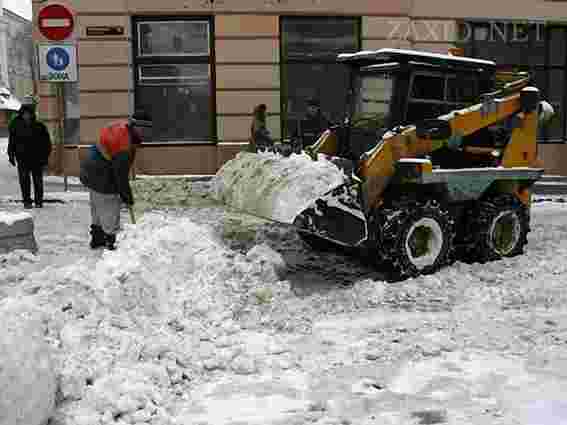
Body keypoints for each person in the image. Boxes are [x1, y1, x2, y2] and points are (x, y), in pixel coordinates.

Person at [79, 110, 152, 250]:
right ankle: (111, 243)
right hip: (101, 175)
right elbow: (121, 177)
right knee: (110, 206)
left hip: (90, 170)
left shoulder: (123, 128)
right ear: (135, 125)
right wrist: (127, 197)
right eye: (143, 129)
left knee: (98, 207)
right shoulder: (124, 145)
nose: (145, 132)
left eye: (148, 129)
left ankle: (97, 239)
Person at [7, 98, 52, 209]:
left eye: (28, 114)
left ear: (32, 114)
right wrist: (11, 155)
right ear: (22, 113)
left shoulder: (39, 126)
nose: (26, 116)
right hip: (22, 158)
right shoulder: (15, 125)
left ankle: (38, 201)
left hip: (37, 159)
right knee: (24, 181)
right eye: (24, 114)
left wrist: (45, 157)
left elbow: (47, 143)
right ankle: (27, 202)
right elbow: (12, 141)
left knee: (38, 181)